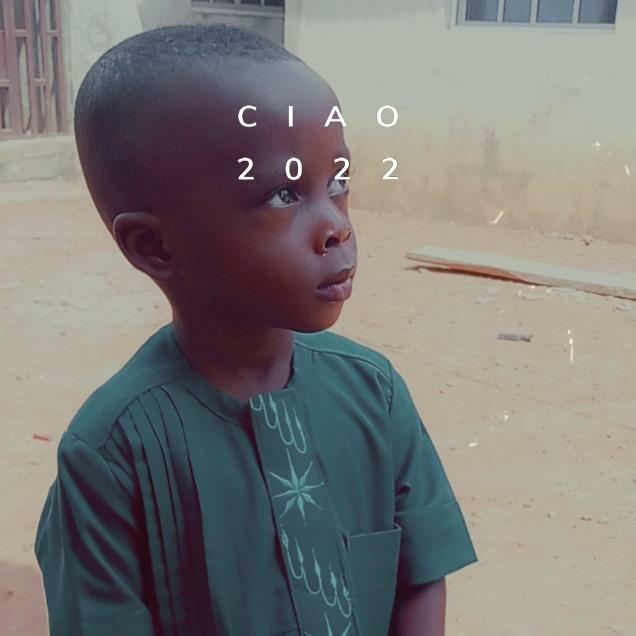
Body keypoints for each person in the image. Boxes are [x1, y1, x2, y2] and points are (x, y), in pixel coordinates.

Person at [34, 24, 477, 636]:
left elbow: (420, 575)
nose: (337, 227)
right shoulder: (113, 453)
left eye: (338, 183)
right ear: (154, 245)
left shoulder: (373, 393)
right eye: (282, 195)